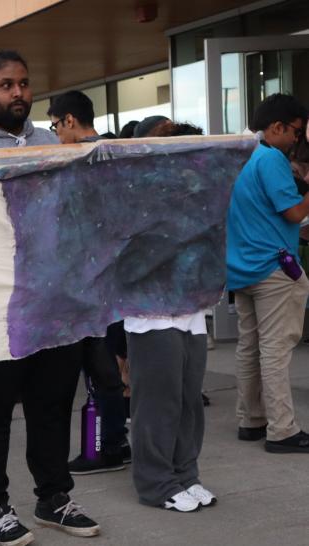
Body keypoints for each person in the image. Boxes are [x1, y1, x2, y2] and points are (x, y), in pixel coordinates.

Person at [0, 50, 100, 546]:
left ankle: (53, 497)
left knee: (51, 405)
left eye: (25, 84)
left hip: (51, 304)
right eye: (8, 85)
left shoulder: (48, 143)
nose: (19, 93)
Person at [125, 120, 216, 512]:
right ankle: (155, 482)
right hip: (152, 315)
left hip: (192, 313)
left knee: (187, 401)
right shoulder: (137, 201)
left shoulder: (197, 198)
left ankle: (185, 474)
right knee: (157, 403)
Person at [48, 91, 130, 475]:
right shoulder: (114, 154)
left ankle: (107, 445)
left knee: (101, 370)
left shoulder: (81, 159)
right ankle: (113, 440)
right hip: (109, 279)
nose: (54, 134)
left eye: (54, 125)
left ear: (67, 120)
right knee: (108, 367)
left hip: (89, 282)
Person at [227, 93, 309, 453]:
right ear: (276, 127)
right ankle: (283, 430)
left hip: (242, 267)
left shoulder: (239, 155)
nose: (297, 140)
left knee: (250, 347)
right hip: (275, 268)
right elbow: (293, 214)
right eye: (296, 131)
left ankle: (251, 419)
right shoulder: (271, 159)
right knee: (276, 351)